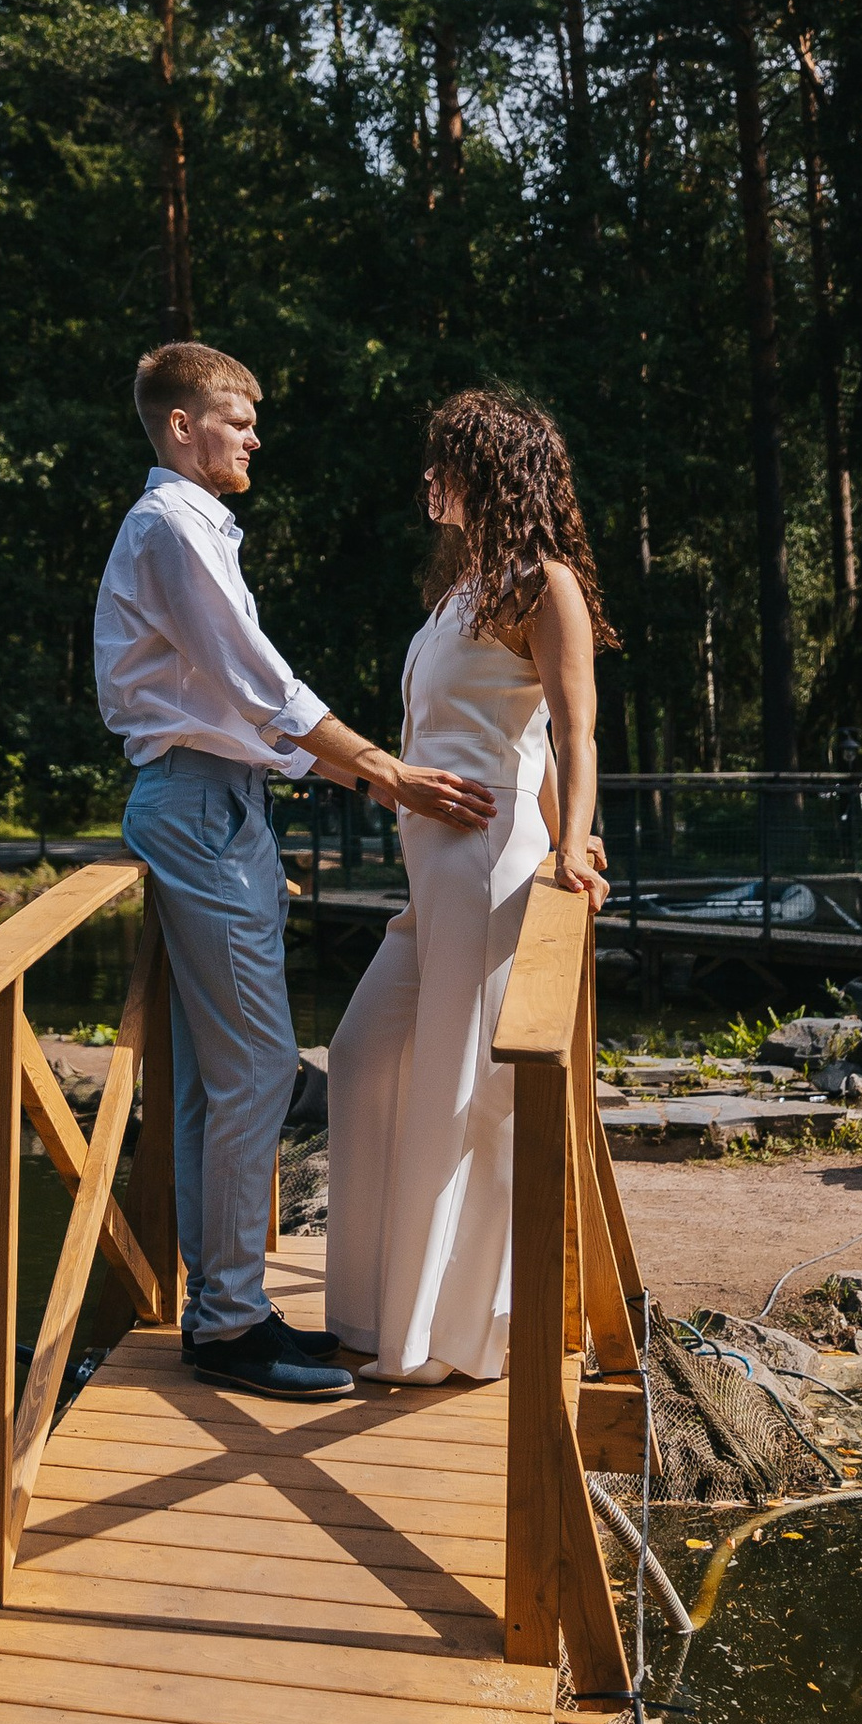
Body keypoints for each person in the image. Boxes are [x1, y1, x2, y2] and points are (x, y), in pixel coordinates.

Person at [92, 342, 496, 1404]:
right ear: (182, 426)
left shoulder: (189, 531)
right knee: (261, 1068)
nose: (255, 435)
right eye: (237, 417)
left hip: (214, 799)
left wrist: (359, 780)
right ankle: (227, 1325)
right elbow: (260, 684)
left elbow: (241, 708)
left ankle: (226, 1307)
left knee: (211, 1075)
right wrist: (385, 769)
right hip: (198, 804)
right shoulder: (172, 529)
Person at [323, 385, 615, 1387]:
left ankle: (453, 1337)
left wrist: (571, 846)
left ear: (486, 470)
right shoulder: (462, 588)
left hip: (491, 859)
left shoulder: (546, 584)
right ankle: (369, 1312)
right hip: (428, 863)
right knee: (361, 1058)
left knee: (462, 1092)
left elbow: (572, 730)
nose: (426, 481)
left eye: (441, 462)